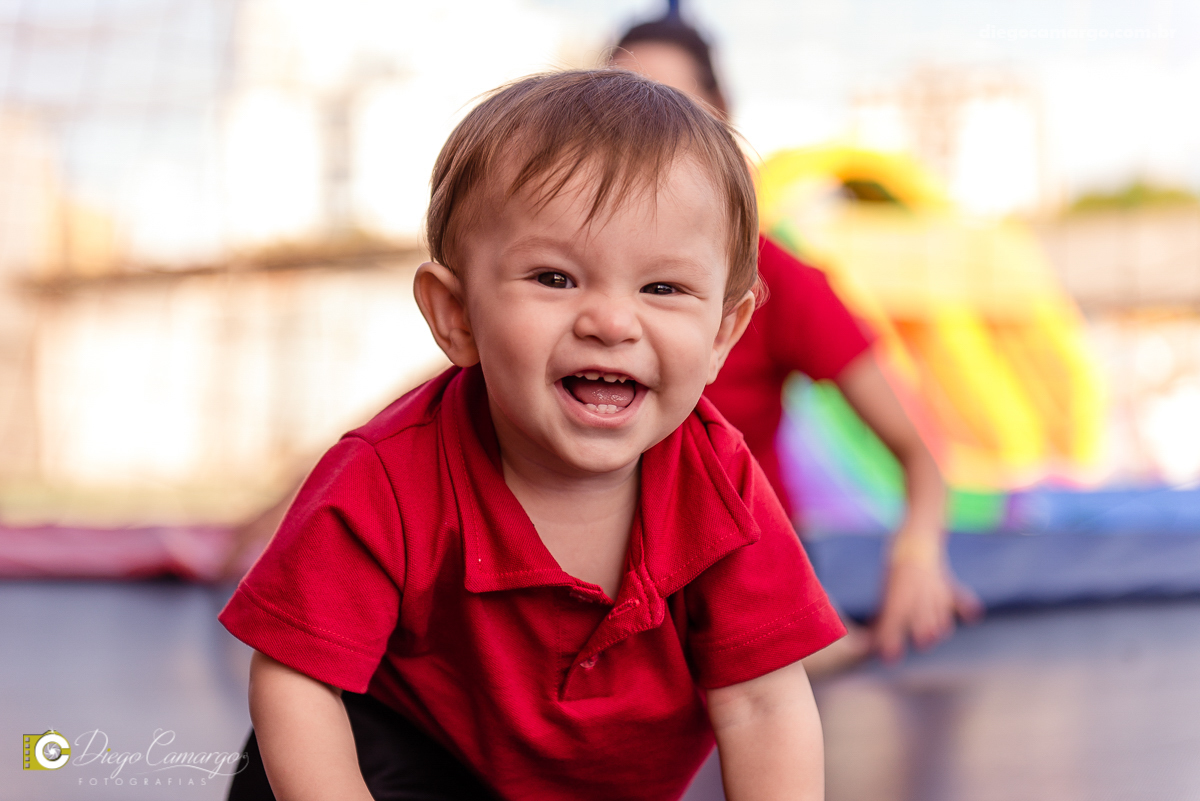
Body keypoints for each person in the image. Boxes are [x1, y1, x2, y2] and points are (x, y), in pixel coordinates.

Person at [221, 70, 844, 800]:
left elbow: (763, 702)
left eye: (662, 288)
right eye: (554, 278)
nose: (611, 322)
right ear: (455, 316)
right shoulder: (388, 475)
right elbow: (297, 676)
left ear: (722, 336)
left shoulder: (719, 484)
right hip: (404, 760)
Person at [611, 16, 982, 668]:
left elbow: (920, 456)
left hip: (741, 584)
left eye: (667, 111)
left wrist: (916, 550)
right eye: (615, 111)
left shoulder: (777, 279)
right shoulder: (570, 286)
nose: (639, 136)